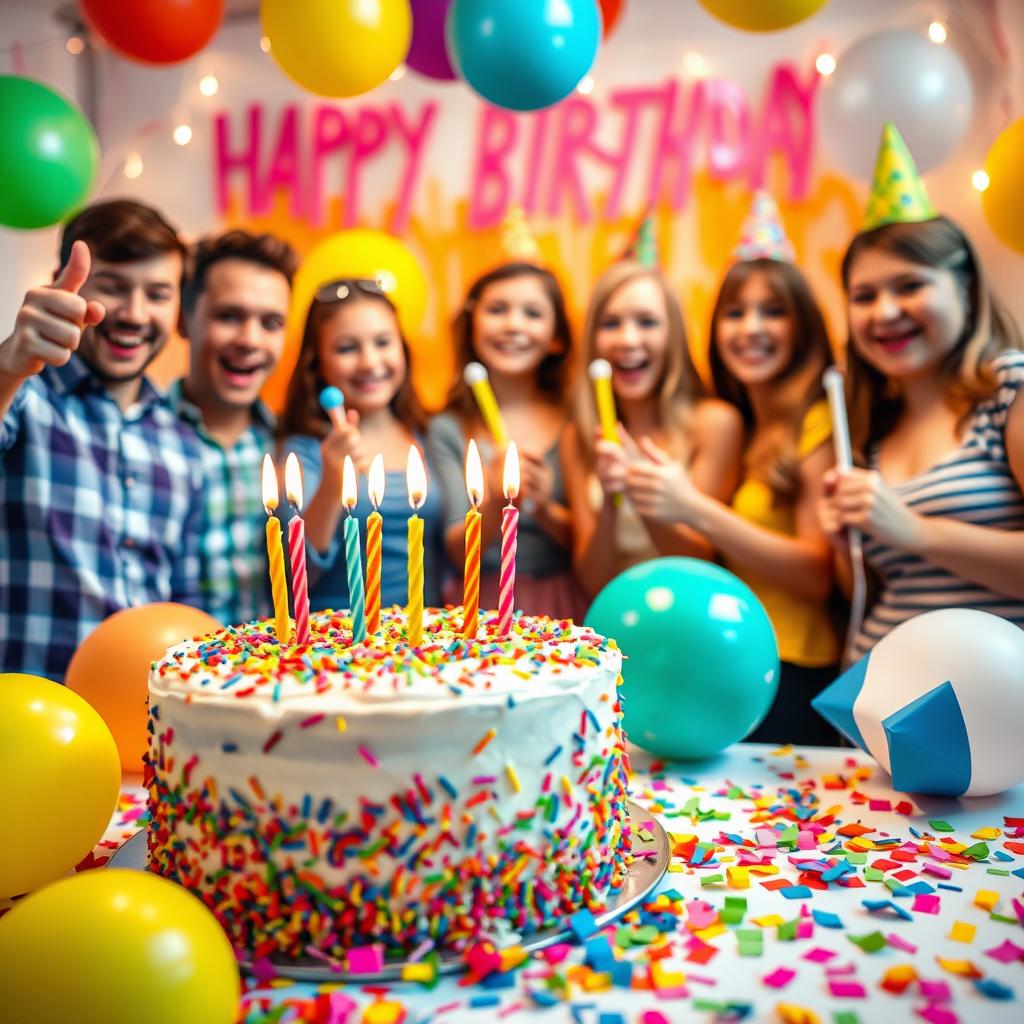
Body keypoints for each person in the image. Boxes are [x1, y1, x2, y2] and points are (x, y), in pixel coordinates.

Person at [624, 194, 839, 745]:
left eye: (773, 311)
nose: (751, 328)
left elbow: (818, 573)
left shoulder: (817, 420)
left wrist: (693, 506)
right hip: (727, 657)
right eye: (736, 312)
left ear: (803, 326)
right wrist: (647, 493)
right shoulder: (737, 424)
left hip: (795, 666)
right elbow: (703, 555)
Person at [819, 123, 1024, 658]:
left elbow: (917, 539)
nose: (884, 312)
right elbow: (877, 589)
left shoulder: (1011, 389)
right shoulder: (872, 428)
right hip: (876, 710)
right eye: (864, 296)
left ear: (965, 287)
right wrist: (847, 546)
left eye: (909, 285)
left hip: (993, 714)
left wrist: (913, 529)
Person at [0, 199, 202, 680]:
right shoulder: (25, 400)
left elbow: (186, 604)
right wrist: (8, 366)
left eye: (157, 293)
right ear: (64, 286)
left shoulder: (184, 445)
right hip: (29, 723)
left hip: (144, 733)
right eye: (112, 287)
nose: (134, 313)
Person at [562, 258, 743, 597]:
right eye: (611, 323)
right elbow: (592, 579)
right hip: (612, 624)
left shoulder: (715, 423)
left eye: (647, 322)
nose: (628, 340)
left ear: (672, 334)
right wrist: (610, 500)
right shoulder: (578, 436)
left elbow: (699, 560)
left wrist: (637, 487)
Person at [427, 258, 586, 620]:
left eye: (532, 313)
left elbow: (590, 546)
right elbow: (457, 552)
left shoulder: (576, 419)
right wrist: (495, 498)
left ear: (557, 337)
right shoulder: (448, 428)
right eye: (497, 310)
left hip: (564, 603)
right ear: (471, 325)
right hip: (480, 603)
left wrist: (544, 508)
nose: (513, 325)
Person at [279, 278, 444, 613]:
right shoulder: (306, 450)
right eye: (346, 348)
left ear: (404, 349)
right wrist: (332, 481)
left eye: (383, 342)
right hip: (336, 641)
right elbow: (298, 575)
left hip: (423, 639)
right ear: (317, 363)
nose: (370, 361)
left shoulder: (429, 434)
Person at [173, 230, 297, 626]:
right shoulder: (137, 435)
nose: (250, 340)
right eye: (229, 316)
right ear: (184, 318)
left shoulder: (286, 446)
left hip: (259, 679)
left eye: (271, 322)